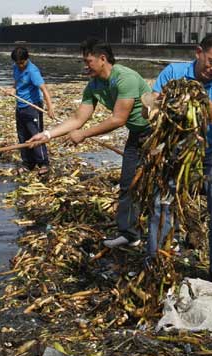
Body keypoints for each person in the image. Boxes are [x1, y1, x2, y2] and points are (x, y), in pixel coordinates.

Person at [27, 39, 151, 248]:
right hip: (136, 135)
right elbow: (77, 118)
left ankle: (166, 237)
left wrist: (83, 134)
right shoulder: (93, 85)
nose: (85, 66)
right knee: (128, 185)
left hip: (157, 133)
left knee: (161, 189)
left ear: (103, 59)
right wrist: (47, 134)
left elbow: (118, 119)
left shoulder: (125, 78)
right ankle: (130, 235)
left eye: (88, 61)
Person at [147, 34, 212, 282]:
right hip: (174, 154)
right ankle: (157, 265)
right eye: (211, 62)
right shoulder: (173, 72)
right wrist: (169, 106)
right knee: (161, 206)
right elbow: (151, 109)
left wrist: (206, 103)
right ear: (198, 52)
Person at [9, 46, 55, 175]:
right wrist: (13, 89)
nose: (20, 66)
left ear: (26, 59)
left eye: (22, 63)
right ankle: (28, 163)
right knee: (23, 135)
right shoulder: (16, 67)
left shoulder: (32, 71)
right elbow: (17, 81)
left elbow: (44, 89)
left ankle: (43, 163)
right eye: (17, 63)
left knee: (36, 135)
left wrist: (50, 107)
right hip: (20, 106)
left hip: (32, 106)